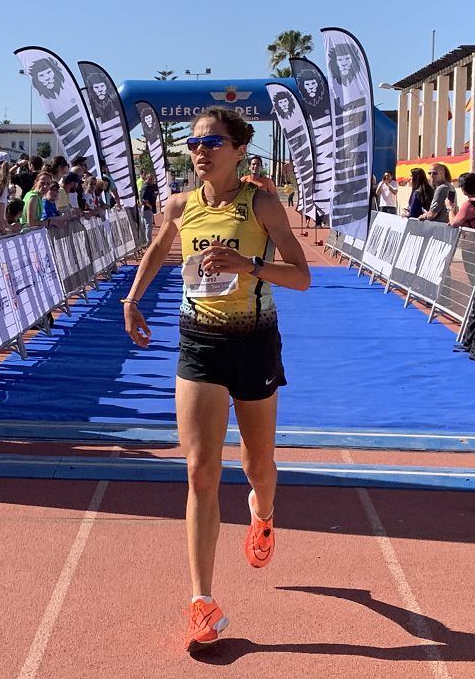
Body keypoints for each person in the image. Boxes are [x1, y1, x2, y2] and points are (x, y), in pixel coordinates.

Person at [121, 107, 310, 653]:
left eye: (213, 141)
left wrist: (247, 264)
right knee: (201, 471)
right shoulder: (182, 205)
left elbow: (300, 276)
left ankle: (264, 513)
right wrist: (132, 299)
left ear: (239, 150)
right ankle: (201, 602)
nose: (200, 149)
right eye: (193, 141)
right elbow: (159, 248)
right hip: (198, 343)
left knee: (258, 465)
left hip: (254, 341)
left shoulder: (262, 203)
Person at [139, 168, 158, 246]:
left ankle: (145, 242)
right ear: (147, 179)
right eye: (151, 179)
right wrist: (149, 205)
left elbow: (156, 187)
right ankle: (148, 242)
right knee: (148, 226)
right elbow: (143, 198)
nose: (152, 180)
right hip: (146, 209)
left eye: (153, 179)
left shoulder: (150, 186)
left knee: (147, 225)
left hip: (149, 209)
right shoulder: (145, 187)